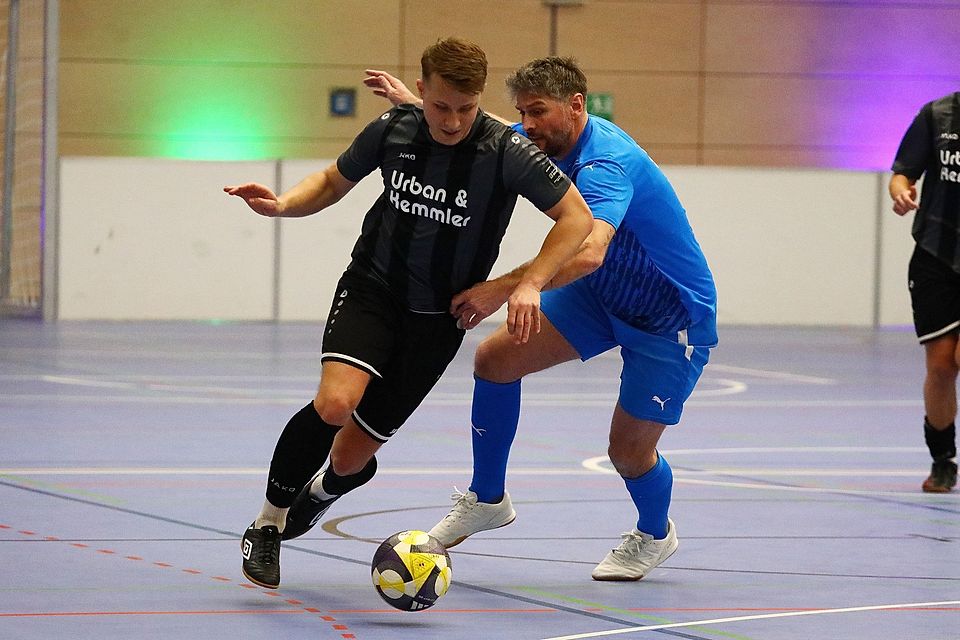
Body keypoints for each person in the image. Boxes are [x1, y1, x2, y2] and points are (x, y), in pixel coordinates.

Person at [224, 38, 593, 589]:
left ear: (480, 100)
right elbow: (331, 180)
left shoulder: (505, 153)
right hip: (373, 289)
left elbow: (576, 218)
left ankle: (320, 494)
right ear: (422, 91)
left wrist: (529, 283)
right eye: (441, 106)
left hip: (440, 319)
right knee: (334, 404)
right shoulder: (393, 129)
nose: (452, 120)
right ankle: (268, 525)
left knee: (350, 459)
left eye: (465, 109)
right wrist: (282, 204)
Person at [365, 57, 717, 581]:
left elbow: (591, 250)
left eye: (538, 112)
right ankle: (487, 499)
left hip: (665, 314)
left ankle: (654, 532)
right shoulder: (544, 140)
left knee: (628, 451)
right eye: (522, 112)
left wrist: (507, 286)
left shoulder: (605, 165)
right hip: (599, 296)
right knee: (496, 358)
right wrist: (416, 106)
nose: (527, 124)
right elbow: (492, 134)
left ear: (576, 105)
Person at [889, 90, 960, 493]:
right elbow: (903, 172)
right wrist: (900, 191)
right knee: (941, 366)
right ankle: (943, 459)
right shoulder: (937, 115)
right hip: (935, 256)